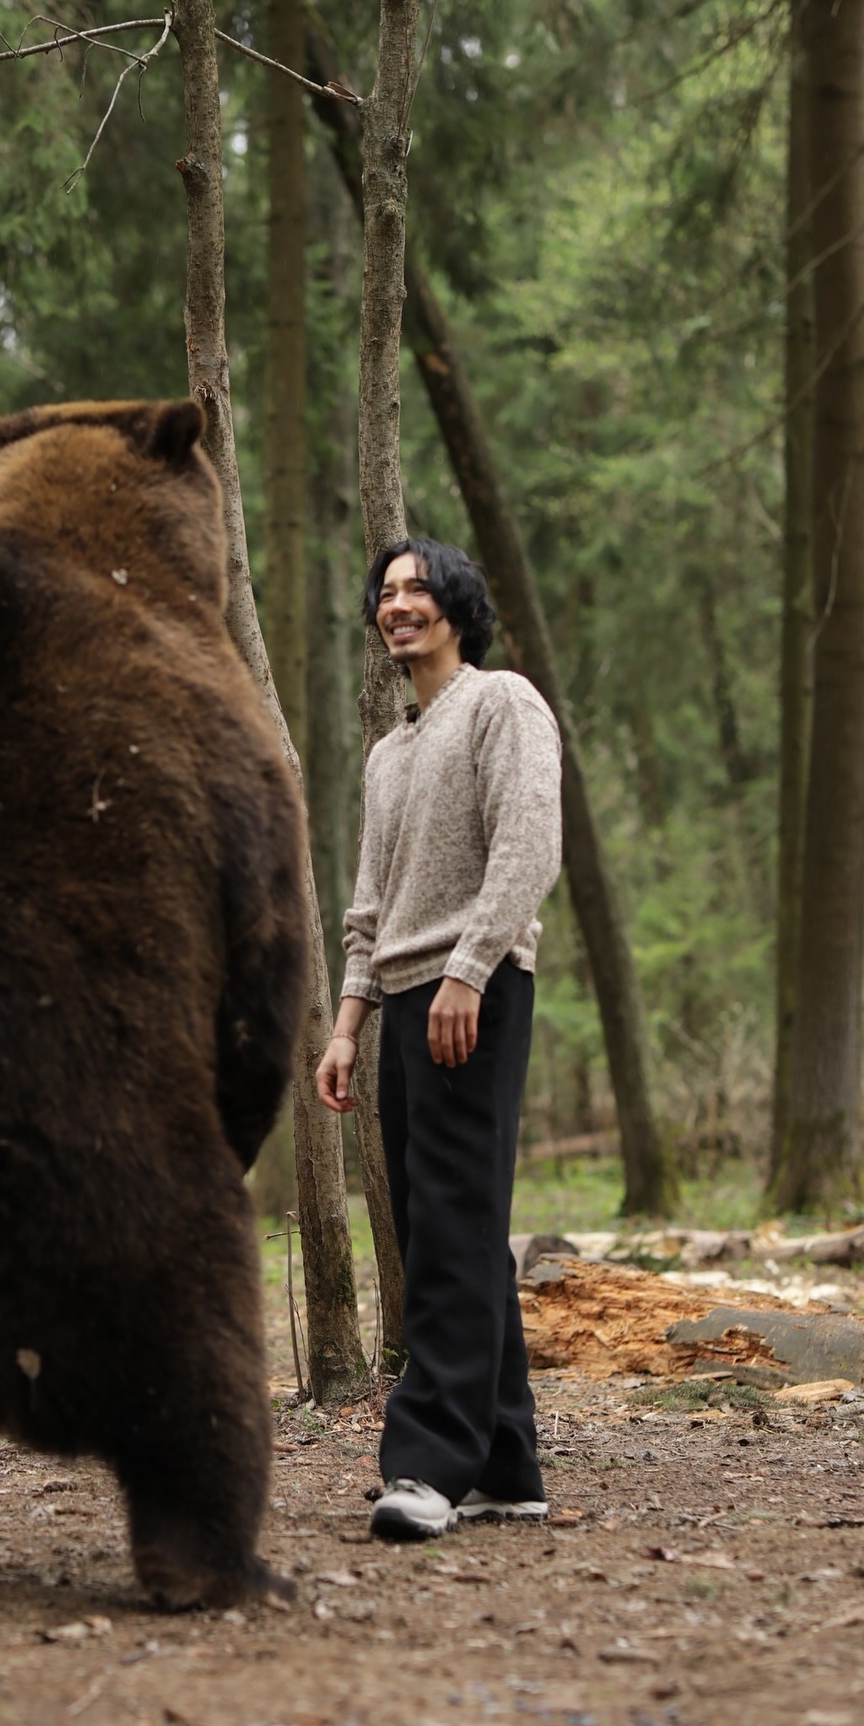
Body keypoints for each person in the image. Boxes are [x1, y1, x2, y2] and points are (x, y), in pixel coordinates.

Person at [316, 536, 562, 1541]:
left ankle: (427, 1464)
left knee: (456, 1224)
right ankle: (506, 1461)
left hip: (478, 990)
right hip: (405, 1001)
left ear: (457, 604)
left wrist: (471, 967)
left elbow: (529, 843)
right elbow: (370, 908)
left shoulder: (502, 702)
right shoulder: (391, 751)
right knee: (436, 1227)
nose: (398, 605)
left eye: (418, 588)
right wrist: (346, 1025)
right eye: (386, 594)